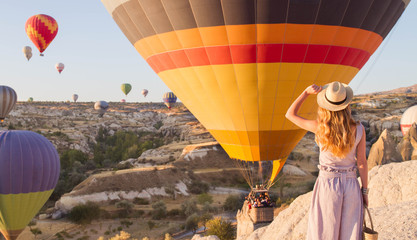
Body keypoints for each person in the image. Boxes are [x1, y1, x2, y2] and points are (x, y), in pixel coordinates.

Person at [285, 82, 368, 240]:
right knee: (350, 233)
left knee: (324, 233)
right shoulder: (359, 129)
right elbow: (362, 162)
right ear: (346, 105)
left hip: (328, 184)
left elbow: (290, 114)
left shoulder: (320, 128)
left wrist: (306, 92)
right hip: (351, 185)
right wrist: (364, 191)